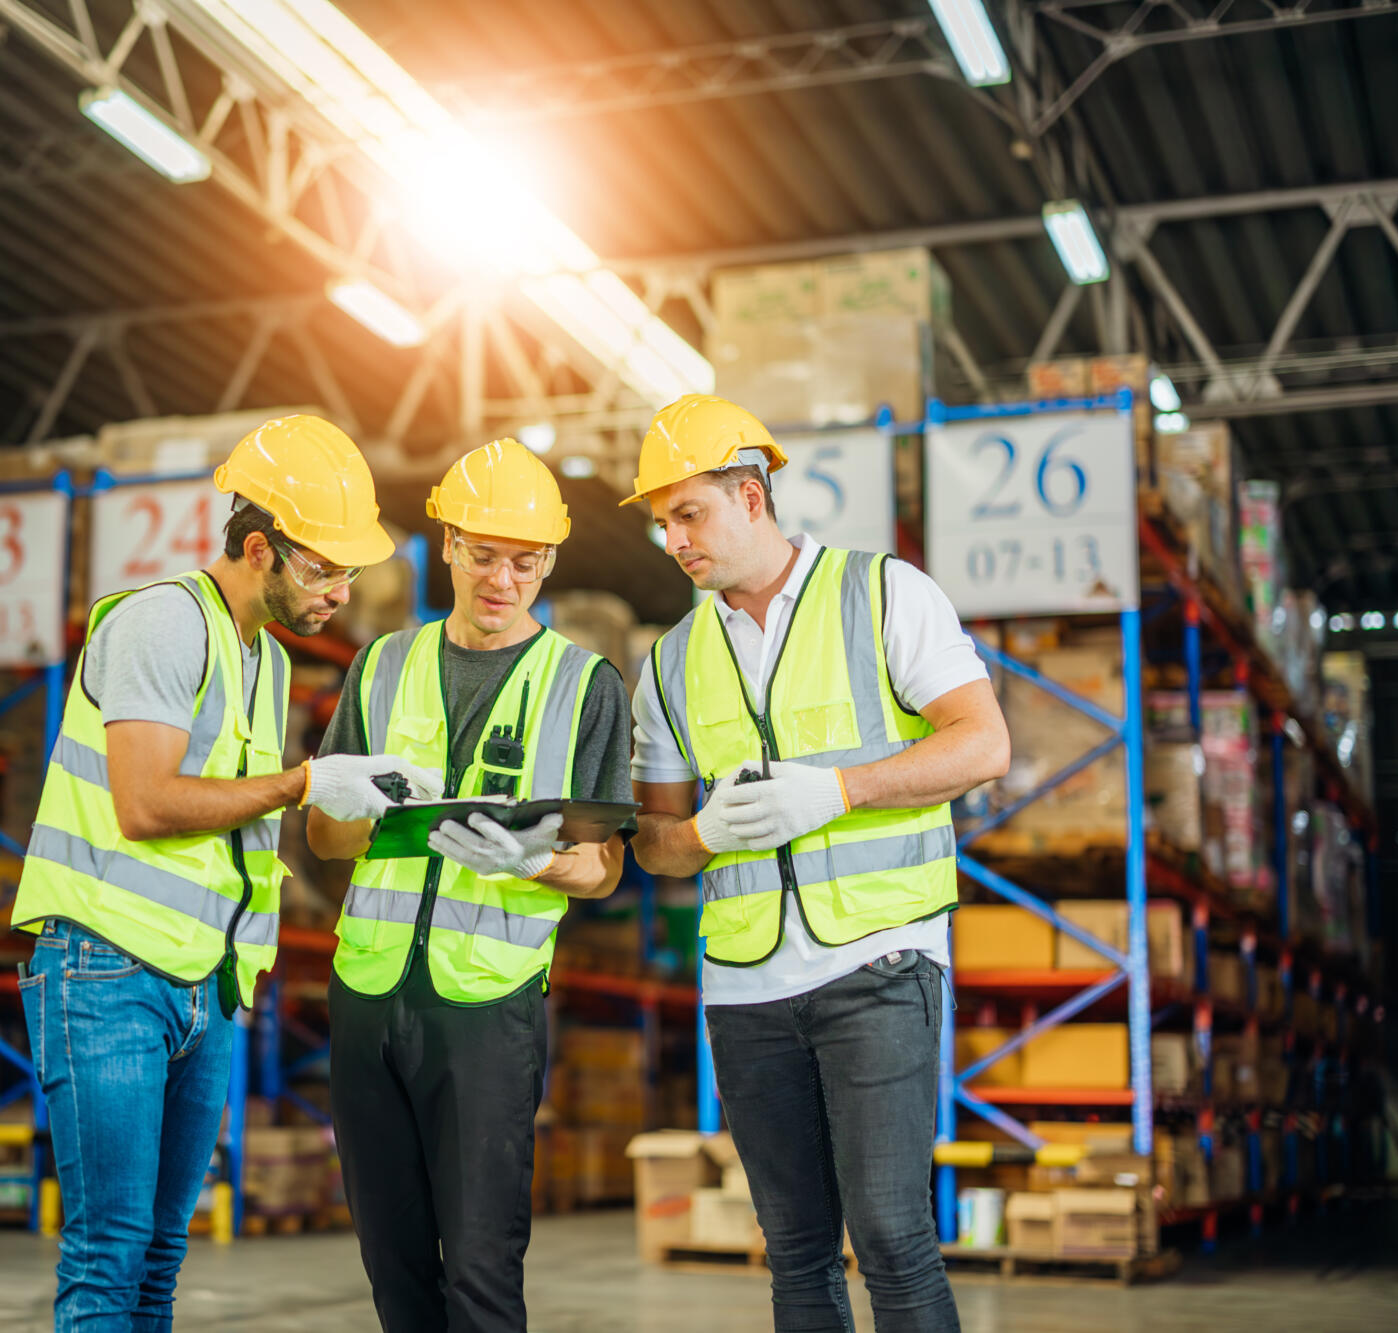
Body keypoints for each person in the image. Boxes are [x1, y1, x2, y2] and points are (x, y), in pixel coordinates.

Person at [10, 414, 442, 1332]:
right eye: (323, 568)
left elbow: (244, 811)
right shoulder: (162, 621)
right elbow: (144, 803)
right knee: (108, 1253)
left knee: (162, 1258)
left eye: (348, 571)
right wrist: (300, 782)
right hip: (105, 968)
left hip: (207, 978)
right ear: (259, 548)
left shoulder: (270, 660)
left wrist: (346, 801)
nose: (341, 591)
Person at [623, 394, 1010, 1333]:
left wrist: (837, 792)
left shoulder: (883, 593)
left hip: (879, 961)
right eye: (661, 521)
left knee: (890, 1234)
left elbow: (982, 744)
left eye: (689, 513)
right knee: (795, 1250)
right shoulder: (671, 662)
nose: (674, 539)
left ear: (751, 495)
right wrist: (707, 833)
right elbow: (653, 841)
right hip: (748, 986)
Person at [307, 439, 635, 1333]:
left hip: (488, 1008)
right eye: (483, 554)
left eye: (525, 562)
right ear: (447, 543)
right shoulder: (380, 667)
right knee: (394, 1268)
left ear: (550, 562)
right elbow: (327, 841)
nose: (502, 578)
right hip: (369, 994)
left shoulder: (584, 686)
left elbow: (603, 867)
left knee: (483, 1272)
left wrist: (536, 861)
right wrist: (341, 800)